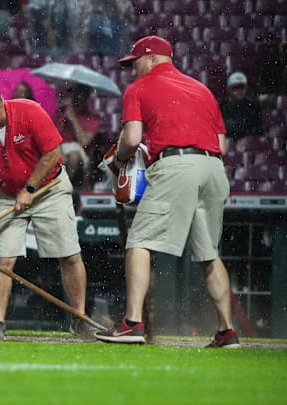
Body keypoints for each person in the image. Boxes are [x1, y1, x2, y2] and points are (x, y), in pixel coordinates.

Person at [94, 36, 239, 348]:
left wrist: (118, 160)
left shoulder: (139, 88)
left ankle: (132, 323)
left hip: (177, 166)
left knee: (140, 242)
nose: (132, 70)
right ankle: (227, 331)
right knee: (208, 254)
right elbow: (221, 144)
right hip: (213, 169)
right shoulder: (202, 89)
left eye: (135, 63)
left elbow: (131, 139)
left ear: (152, 59)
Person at [0, 81, 97, 341]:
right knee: (3, 259)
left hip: (48, 188)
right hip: (8, 194)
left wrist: (29, 188)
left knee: (69, 255)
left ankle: (80, 319)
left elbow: (53, 154)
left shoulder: (29, 111)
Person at [55, 84, 102, 190]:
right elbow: (52, 135)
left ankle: (65, 189)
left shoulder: (92, 118)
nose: (79, 98)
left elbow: (84, 142)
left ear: (87, 98)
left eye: (82, 95)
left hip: (79, 151)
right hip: (59, 147)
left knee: (74, 156)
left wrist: (73, 120)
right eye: (77, 94)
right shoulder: (62, 111)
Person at [219, 71, 263, 149]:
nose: (239, 90)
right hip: (226, 145)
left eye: (242, 86)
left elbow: (257, 130)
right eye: (235, 87)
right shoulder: (221, 107)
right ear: (229, 89)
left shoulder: (253, 108)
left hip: (247, 145)